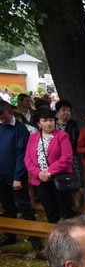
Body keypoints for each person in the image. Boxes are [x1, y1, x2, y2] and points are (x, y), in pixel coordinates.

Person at [0, 100, 43, 251]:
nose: (2, 120)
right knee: (7, 206)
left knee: (24, 205)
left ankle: (35, 239)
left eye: (4, 117)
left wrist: (18, 177)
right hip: (1, 174)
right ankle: (10, 236)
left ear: (11, 113)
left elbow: (22, 155)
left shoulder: (20, 130)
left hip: (15, 175)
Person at [24, 107, 76, 223]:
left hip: (58, 179)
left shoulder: (62, 136)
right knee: (50, 210)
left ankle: (68, 238)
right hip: (40, 181)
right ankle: (54, 237)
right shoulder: (33, 137)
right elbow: (28, 159)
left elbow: (66, 158)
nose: (48, 123)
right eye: (45, 120)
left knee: (65, 211)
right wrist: (38, 173)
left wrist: (48, 172)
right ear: (39, 123)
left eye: (51, 120)